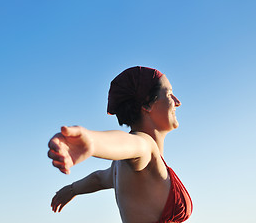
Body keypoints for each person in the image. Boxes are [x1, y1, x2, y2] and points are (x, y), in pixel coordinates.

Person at [47, 66, 193, 223]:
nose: (178, 102)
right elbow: (131, 144)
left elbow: (99, 178)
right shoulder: (145, 146)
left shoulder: (120, 166)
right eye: (169, 94)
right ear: (147, 105)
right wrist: (92, 142)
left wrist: (72, 189)